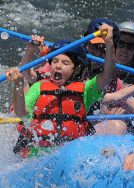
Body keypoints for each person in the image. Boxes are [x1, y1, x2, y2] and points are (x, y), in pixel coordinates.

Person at [6, 22, 117, 157]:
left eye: (65, 63)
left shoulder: (86, 89)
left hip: (71, 154)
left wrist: (109, 42)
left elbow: (108, 75)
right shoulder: (39, 87)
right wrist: (18, 84)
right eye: (55, 61)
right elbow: (21, 113)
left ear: (76, 69)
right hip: (37, 156)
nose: (58, 66)